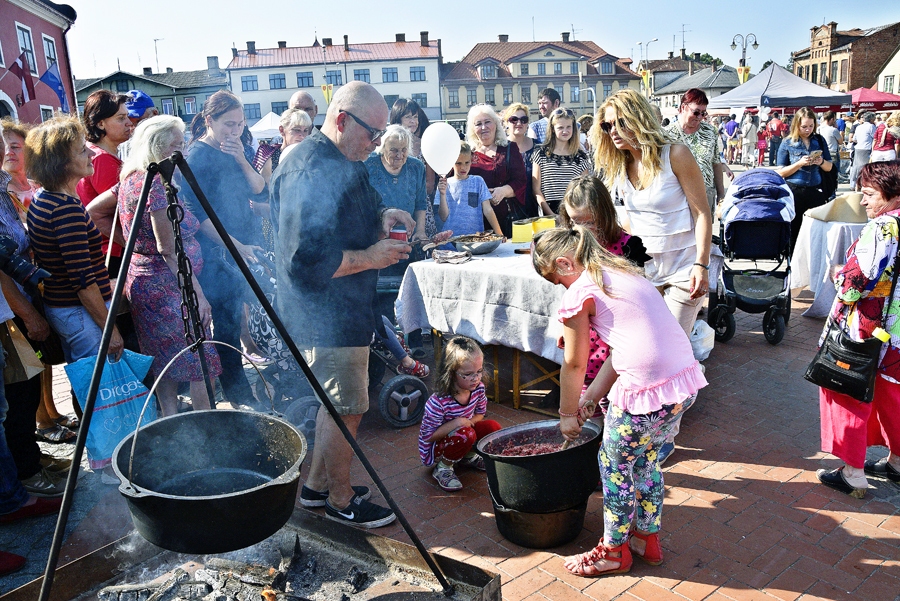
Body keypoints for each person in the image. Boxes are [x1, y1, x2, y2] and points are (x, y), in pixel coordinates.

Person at [271, 80, 413, 528]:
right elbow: (303, 261)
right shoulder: (307, 169)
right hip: (322, 315)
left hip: (347, 308)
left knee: (336, 403)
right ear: (340, 119)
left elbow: (356, 210)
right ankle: (340, 498)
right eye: (372, 133)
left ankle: (314, 489)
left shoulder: (345, 159)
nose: (375, 144)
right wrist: (371, 257)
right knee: (346, 407)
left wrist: (382, 216)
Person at [532, 226, 707, 577]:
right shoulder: (624, 273)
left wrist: (567, 414)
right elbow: (620, 351)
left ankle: (613, 550)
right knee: (645, 462)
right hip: (681, 384)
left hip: (644, 392)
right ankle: (646, 538)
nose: (560, 289)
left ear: (565, 263)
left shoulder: (580, 290)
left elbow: (574, 362)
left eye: (556, 281)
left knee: (614, 467)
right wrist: (592, 397)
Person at [591, 89, 711, 464]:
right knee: (640, 353)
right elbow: (628, 220)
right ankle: (654, 431)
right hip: (644, 275)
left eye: (619, 123)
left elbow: (703, 213)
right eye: (606, 125)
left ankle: (664, 436)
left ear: (638, 118)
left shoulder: (675, 154)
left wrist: (702, 265)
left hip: (683, 271)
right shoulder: (620, 164)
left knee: (665, 358)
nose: (612, 131)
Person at [115, 116, 222, 416]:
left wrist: (139, 250)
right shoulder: (156, 185)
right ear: (157, 146)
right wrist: (197, 294)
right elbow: (168, 249)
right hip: (168, 288)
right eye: (176, 144)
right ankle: (207, 428)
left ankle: (171, 422)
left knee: (164, 361)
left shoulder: (130, 179)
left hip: (145, 283)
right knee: (199, 359)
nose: (183, 151)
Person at [816, 160, 900, 498]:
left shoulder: (882, 228)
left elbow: (854, 285)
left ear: (891, 195)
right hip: (894, 335)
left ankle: (853, 472)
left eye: (868, 194)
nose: (862, 201)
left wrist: (838, 271)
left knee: (849, 390)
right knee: (892, 395)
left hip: (866, 328)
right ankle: (896, 462)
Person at [180, 90, 265, 407]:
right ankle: (240, 396)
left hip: (244, 248)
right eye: (228, 124)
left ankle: (245, 385)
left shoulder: (237, 149)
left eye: (240, 125)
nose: (235, 131)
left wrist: (242, 158)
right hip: (216, 256)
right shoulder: (196, 158)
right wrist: (235, 245)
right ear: (208, 121)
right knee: (225, 326)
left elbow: (260, 190)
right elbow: (198, 217)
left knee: (246, 316)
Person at [25, 117, 125, 365]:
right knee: (99, 388)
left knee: (86, 383)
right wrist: (110, 331)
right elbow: (82, 281)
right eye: (82, 150)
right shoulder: (65, 209)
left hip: (66, 310)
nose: (91, 152)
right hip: (80, 313)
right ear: (61, 163)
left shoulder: (45, 197)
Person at [417, 335, 501, 491]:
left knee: (492, 427)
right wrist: (457, 423)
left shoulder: (478, 388)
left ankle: (467, 456)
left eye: (479, 371)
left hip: (463, 432)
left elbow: (480, 413)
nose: (475, 378)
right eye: (468, 374)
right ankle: (443, 467)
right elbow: (428, 436)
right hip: (439, 445)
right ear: (451, 372)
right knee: (465, 434)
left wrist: (468, 423)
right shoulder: (438, 402)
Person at [76, 90, 133, 277]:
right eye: (120, 118)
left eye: (128, 117)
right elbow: (121, 209)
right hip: (112, 251)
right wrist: (133, 246)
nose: (129, 123)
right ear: (100, 123)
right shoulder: (101, 159)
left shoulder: (98, 153)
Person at [665, 89, 732, 214]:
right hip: (676, 195)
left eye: (703, 113)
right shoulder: (666, 134)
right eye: (696, 112)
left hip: (705, 194)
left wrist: (721, 196)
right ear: (683, 107)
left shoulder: (710, 131)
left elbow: (716, 163)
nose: (700, 117)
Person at [775, 107, 833, 250]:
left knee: (816, 230)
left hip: (816, 190)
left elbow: (829, 167)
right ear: (796, 125)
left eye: (811, 126)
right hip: (795, 191)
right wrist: (799, 163)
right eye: (804, 126)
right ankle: (795, 263)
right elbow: (780, 172)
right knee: (795, 231)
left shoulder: (819, 140)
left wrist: (820, 162)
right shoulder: (787, 142)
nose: (808, 130)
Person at [466, 104, 527, 238]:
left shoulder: (509, 148)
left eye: (487, 122)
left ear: (495, 124)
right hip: (476, 220)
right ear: (472, 128)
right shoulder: (467, 154)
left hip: (506, 219)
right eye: (478, 124)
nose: (484, 127)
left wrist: (503, 191)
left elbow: (521, 180)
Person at [389, 99, 437, 237]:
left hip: (421, 208)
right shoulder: (387, 145)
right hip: (395, 205)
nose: (413, 121)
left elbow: (429, 185)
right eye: (408, 117)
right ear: (398, 119)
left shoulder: (426, 145)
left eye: (415, 117)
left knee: (422, 249)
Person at [436, 141, 504, 239]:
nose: (463, 167)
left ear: (471, 161)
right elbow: (443, 217)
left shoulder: (478, 181)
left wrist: (499, 234)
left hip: (475, 241)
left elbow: (488, 210)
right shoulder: (444, 185)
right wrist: (442, 194)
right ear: (450, 162)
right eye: (458, 163)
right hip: (449, 244)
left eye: (466, 162)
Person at [532, 108, 592, 216]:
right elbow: (536, 190)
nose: (565, 131)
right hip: (550, 212)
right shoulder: (540, 153)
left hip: (575, 211)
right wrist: (552, 215)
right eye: (560, 127)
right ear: (553, 129)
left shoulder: (580, 157)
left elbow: (585, 191)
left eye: (568, 127)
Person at [503, 103, 538, 218]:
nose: (519, 123)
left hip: (533, 209)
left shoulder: (538, 146)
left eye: (524, 119)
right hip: (509, 212)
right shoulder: (501, 148)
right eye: (514, 119)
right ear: (506, 123)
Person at [818, 111, 843, 199]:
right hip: (832, 153)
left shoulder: (818, 129)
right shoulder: (833, 130)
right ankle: (832, 194)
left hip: (821, 154)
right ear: (832, 119)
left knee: (823, 175)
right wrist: (836, 127)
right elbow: (841, 142)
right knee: (833, 175)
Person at [849, 112, 876, 189]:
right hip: (866, 148)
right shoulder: (871, 126)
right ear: (871, 119)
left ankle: (854, 185)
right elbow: (875, 137)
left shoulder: (859, 127)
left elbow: (854, 139)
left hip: (858, 148)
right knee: (865, 168)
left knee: (856, 167)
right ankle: (864, 184)